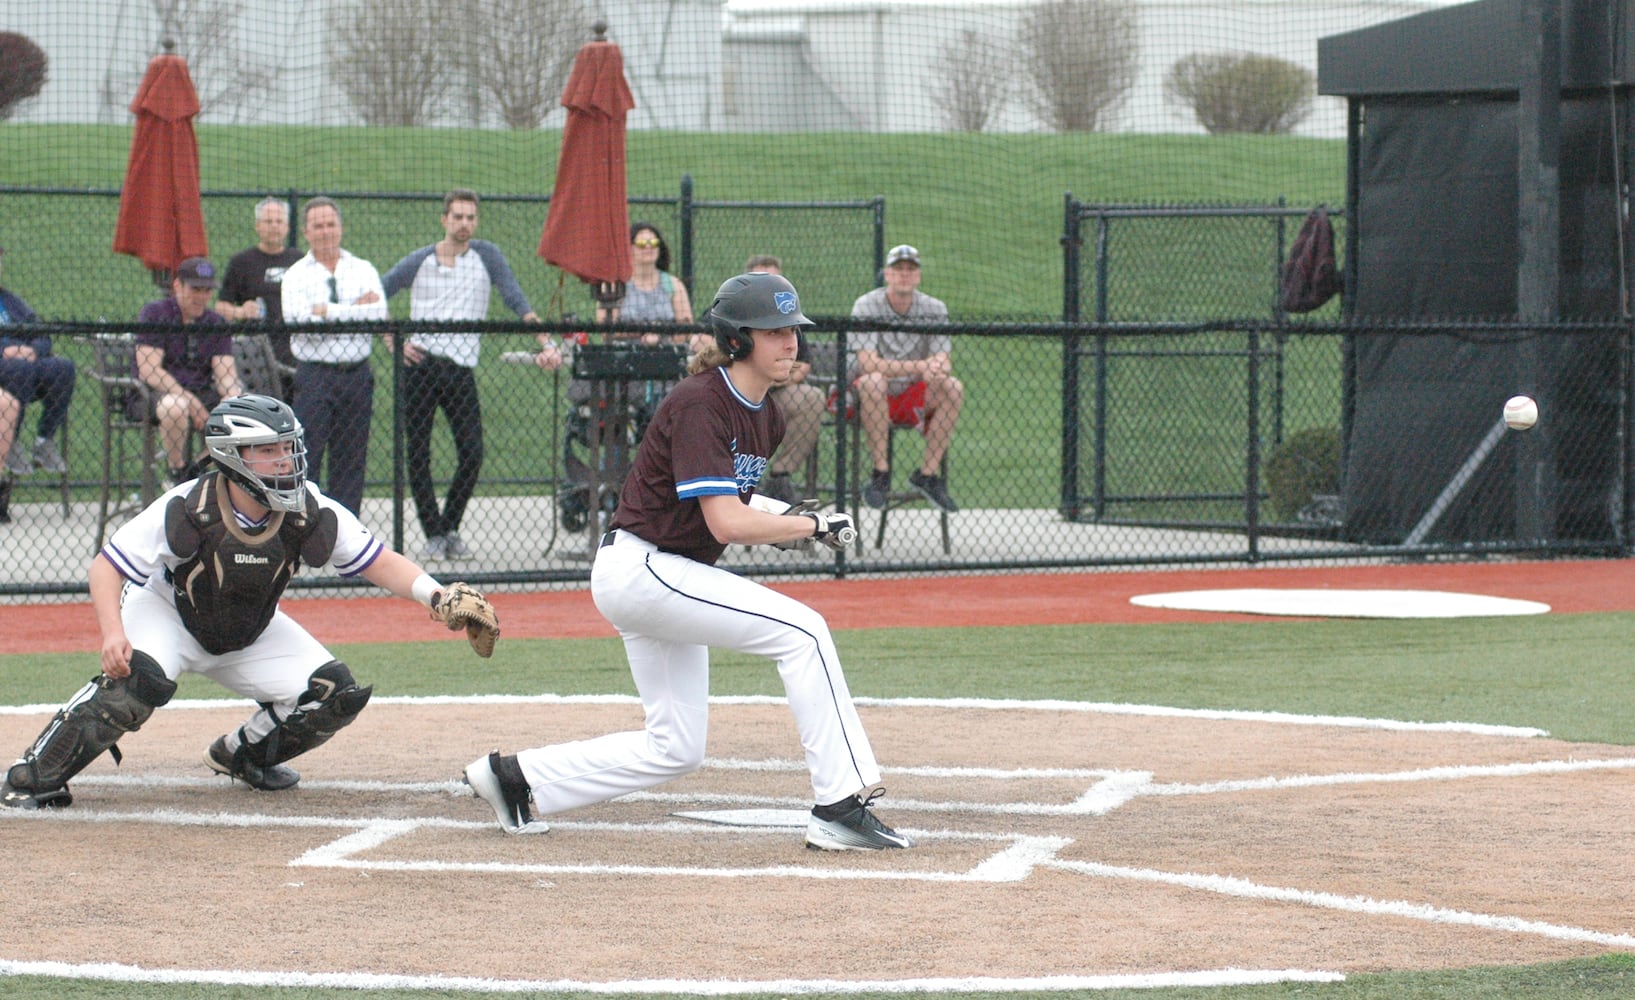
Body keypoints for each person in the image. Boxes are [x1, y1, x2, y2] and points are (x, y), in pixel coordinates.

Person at [463, 271, 913, 852]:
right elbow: (726, 523)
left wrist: (802, 520)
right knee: (804, 632)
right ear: (736, 339)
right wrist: (809, 526)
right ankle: (840, 805)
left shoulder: (767, 413)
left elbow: (735, 500)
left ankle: (514, 779)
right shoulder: (703, 402)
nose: (789, 342)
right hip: (645, 565)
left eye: (792, 330)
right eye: (773, 331)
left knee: (675, 747)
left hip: (665, 573)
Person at [0, 394, 494, 808]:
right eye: (270, 450)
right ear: (234, 457)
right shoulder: (188, 506)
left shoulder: (309, 507)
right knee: (136, 683)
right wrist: (113, 632)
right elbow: (105, 566)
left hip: (249, 629)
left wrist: (438, 594)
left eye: (288, 446)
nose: (287, 459)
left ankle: (243, 754)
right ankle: (35, 773)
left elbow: (375, 560)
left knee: (333, 693)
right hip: (167, 613)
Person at [381, 188, 541, 560]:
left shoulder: (487, 256)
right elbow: (377, 293)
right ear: (444, 220)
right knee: (417, 453)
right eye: (458, 217)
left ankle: (449, 526)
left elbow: (514, 296)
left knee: (472, 451)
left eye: (471, 217)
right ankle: (433, 534)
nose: (465, 223)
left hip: (460, 368)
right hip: (420, 366)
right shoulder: (419, 260)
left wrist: (542, 336)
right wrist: (393, 340)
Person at [280, 196, 387, 515]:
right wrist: (356, 310)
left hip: (356, 374)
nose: (325, 231)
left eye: (331, 224)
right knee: (306, 456)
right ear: (306, 232)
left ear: (340, 228)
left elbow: (379, 314)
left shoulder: (363, 269)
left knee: (351, 459)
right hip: (315, 376)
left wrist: (326, 311)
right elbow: (300, 324)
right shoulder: (296, 275)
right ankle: (302, 527)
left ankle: (346, 535)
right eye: (318, 226)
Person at [848, 243, 963, 512]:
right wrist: (921, 365)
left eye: (910, 269)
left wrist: (936, 369)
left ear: (919, 275)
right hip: (865, 396)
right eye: (898, 269)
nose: (904, 275)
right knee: (873, 380)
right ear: (886, 274)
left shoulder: (934, 308)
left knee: (953, 387)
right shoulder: (867, 304)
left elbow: (944, 359)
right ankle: (880, 473)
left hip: (912, 392)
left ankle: (927, 475)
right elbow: (867, 364)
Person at [134, 257, 244, 484]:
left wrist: (230, 396)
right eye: (195, 289)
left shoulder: (216, 322)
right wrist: (189, 400)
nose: (201, 296)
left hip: (203, 392)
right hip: (153, 394)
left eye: (206, 290)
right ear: (177, 286)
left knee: (239, 408)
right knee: (175, 406)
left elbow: (225, 374)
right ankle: (177, 472)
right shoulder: (155, 313)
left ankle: (198, 470)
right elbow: (149, 371)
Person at [745, 254, 826, 504]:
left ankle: (779, 475)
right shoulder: (729, 310)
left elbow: (802, 366)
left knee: (812, 397)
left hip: (779, 392)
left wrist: (775, 375)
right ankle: (742, 480)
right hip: (740, 394)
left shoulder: (790, 319)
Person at [215, 196, 303, 400]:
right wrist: (241, 311)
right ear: (258, 226)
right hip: (257, 354)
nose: (274, 226)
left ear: (287, 227)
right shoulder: (241, 262)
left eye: (279, 221)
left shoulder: (300, 261)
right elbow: (220, 307)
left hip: (297, 351)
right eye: (268, 221)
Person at [0, 246, 75, 478]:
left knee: (62, 368)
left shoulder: (10, 301)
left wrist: (33, 351)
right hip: (8, 364)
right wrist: (6, 350)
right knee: (19, 368)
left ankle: (44, 441)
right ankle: (10, 441)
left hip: (24, 363)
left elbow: (40, 332)